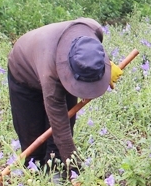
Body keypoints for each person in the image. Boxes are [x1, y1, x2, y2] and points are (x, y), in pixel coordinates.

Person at [7, 18, 122, 173]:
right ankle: (38, 180)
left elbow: (92, 51)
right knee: (34, 142)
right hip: (23, 71)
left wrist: (106, 64)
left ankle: (57, 171)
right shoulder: (50, 76)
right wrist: (76, 169)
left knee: (57, 145)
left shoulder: (93, 28)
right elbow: (60, 129)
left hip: (54, 58)